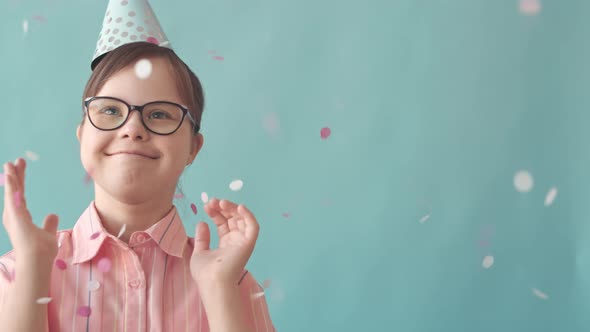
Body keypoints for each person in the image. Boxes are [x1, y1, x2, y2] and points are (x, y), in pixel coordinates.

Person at [0, 1, 275, 331]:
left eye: (159, 114)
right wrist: (31, 272)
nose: (132, 128)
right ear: (81, 134)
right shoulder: (15, 272)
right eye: (111, 111)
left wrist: (220, 292)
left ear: (193, 147)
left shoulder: (231, 281)